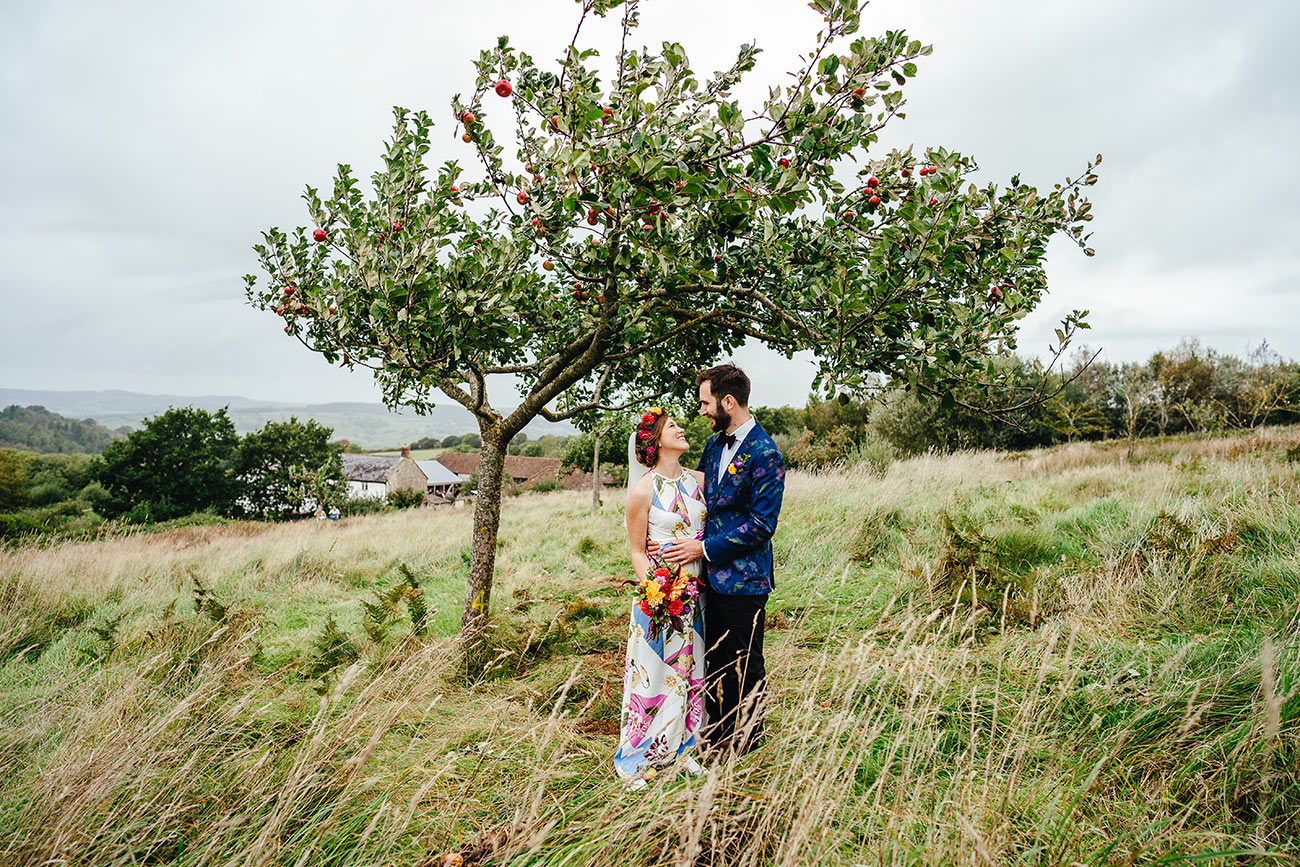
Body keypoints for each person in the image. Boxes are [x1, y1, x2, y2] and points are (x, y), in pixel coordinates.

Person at [659, 364, 785, 755]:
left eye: (705, 402)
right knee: (711, 661)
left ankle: (744, 746)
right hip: (705, 579)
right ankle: (714, 737)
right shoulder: (714, 446)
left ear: (728, 402)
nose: (701, 411)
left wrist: (703, 549)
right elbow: (702, 499)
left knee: (744, 664)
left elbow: (762, 525)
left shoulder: (766, 453)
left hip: (745, 582)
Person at [615, 408, 707, 788]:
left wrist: (698, 547)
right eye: (673, 426)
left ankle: (682, 749)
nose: (681, 428)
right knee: (652, 676)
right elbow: (638, 550)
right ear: (654, 443)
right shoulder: (643, 490)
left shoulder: (700, 481)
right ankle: (638, 757)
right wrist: (655, 591)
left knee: (690, 672)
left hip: (696, 595)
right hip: (660, 598)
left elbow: (709, 529)